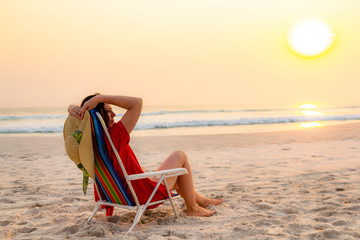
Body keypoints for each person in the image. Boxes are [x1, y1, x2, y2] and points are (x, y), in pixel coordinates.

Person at [68, 94, 222, 217]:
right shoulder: (114, 136)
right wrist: (101, 98)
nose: (114, 114)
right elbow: (137, 103)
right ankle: (192, 208)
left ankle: (201, 200)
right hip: (140, 195)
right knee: (180, 156)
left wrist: (72, 109)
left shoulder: (89, 145)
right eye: (108, 111)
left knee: (172, 176)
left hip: (117, 194)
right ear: (98, 115)